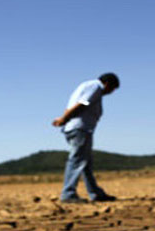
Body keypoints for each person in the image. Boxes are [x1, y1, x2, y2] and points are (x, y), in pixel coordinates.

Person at [51, 73, 120, 203]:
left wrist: (65, 119)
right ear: (107, 84)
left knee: (85, 163)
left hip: (76, 127)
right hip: (81, 128)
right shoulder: (95, 87)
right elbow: (83, 103)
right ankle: (68, 194)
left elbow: (75, 104)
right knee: (77, 160)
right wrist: (63, 119)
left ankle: (95, 193)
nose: (111, 92)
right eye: (112, 89)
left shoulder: (86, 86)